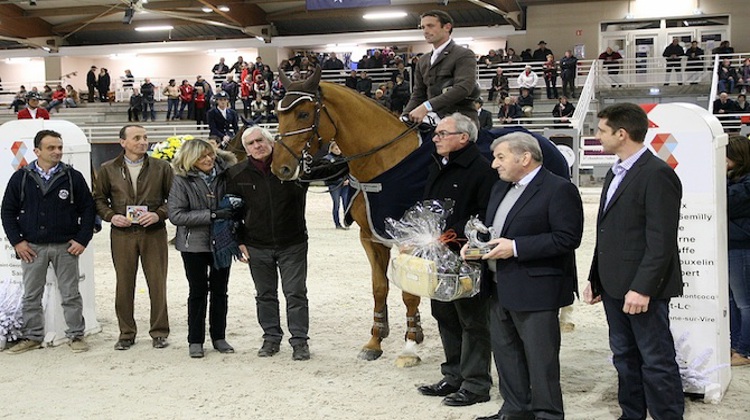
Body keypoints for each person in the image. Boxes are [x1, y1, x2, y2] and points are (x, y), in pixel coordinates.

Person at [471, 131, 583, 420]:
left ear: (525, 157)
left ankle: (547, 414)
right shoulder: (501, 188)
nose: (494, 164)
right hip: (498, 287)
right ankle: (514, 410)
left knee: (540, 361)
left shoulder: (558, 189)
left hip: (537, 290)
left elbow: (567, 238)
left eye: (500, 157)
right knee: (506, 356)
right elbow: (494, 230)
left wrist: (517, 248)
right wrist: (474, 247)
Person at [584, 103, 685, 420]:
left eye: (601, 130)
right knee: (624, 356)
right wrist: (595, 277)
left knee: (655, 359)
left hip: (644, 290)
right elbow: (607, 232)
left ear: (621, 133)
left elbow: (661, 240)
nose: (597, 135)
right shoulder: (615, 171)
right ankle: (631, 414)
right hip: (614, 284)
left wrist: (643, 288)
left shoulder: (657, 174)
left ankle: (667, 415)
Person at [417, 112, 495, 407]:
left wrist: (451, 234)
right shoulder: (438, 166)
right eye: (435, 134)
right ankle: (453, 374)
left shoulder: (482, 170)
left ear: (463, 137)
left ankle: (476, 383)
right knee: (444, 314)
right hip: (439, 256)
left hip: (466, 257)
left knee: (472, 320)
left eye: (441, 134)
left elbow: (486, 216)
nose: (435, 138)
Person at [1, 130, 96, 354]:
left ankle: (76, 335)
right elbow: (7, 211)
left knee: (70, 293)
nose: (57, 152)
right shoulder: (21, 177)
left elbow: (89, 209)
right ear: (37, 151)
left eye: (59, 147)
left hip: (66, 247)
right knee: (31, 294)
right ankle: (32, 336)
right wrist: (17, 242)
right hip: (32, 247)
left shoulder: (73, 177)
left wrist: (82, 239)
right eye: (51, 148)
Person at [225, 126, 312, 361]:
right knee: (265, 294)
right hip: (256, 244)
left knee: (295, 293)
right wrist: (239, 241)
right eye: (251, 143)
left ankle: (300, 341)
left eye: (260, 140)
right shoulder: (236, 174)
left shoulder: (290, 168)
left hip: (292, 242)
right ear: (246, 149)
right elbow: (232, 213)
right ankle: (271, 338)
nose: (257, 146)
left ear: (271, 141)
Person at [93, 124, 174, 351]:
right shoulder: (107, 169)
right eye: (136, 138)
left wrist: (158, 215)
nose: (142, 141)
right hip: (122, 234)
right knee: (124, 283)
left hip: (154, 233)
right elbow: (98, 199)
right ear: (123, 142)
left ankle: (159, 332)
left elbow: (174, 199)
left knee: (157, 283)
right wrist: (111, 216)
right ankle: (126, 333)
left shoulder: (162, 167)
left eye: (145, 137)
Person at [168, 139, 237, 359]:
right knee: (197, 292)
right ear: (190, 159)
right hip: (193, 245)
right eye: (201, 156)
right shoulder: (180, 181)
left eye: (210, 154)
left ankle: (219, 336)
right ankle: (195, 340)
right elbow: (176, 215)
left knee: (220, 291)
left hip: (222, 241)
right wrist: (212, 215)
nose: (208, 159)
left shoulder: (225, 175)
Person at [404, 10, 480, 126]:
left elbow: (463, 88)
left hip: (460, 120)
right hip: (431, 119)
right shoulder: (423, 61)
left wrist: (427, 106)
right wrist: (405, 115)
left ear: (447, 27)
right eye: (423, 27)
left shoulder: (463, 54)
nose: (425, 31)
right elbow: (418, 94)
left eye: (430, 26)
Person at [726, 136, 750, 367]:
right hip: (732, 245)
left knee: (744, 302)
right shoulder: (735, 180)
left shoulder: (744, 184)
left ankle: (745, 350)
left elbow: (725, 203)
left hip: (741, 246)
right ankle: (735, 345)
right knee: (732, 300)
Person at [321, 142, 350, 230]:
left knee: (346, 204)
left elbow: (349, 171)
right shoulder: (326, 159)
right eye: (336, 149)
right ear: (332, 149)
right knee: (336, 204)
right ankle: (337, 224)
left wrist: (348, 180)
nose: (338, 151)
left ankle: (346, 222)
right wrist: (339, 181)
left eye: (339, 149)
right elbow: (327, 175)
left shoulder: (344, 158)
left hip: (345, 185)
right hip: (334, 185)